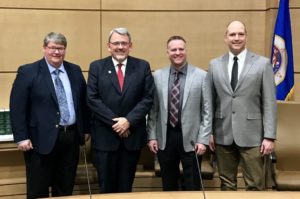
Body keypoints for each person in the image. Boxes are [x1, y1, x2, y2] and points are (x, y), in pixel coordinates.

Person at [10, 32, 90, 198]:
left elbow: (83, 103)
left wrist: (86, 129)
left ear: (65, 50)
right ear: (44, 48)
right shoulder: (28, 71)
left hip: (70, 138)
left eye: (60, 48)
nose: (56, 52)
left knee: (65, 188)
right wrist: (21, 136)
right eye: (52, 48)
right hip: (39, 140)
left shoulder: (74, 70)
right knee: (38, 189)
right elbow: (17, 107)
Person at [207, 20, 277, 191]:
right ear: (225, 38)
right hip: (222, 133)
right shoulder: (214, 65)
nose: (236, 38)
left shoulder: (262, 64)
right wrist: (208, 132)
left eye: (240, 34)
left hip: (253, 135)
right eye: (232, 34)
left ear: (246, 37)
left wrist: (269, 136)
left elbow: (269, 103)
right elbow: (209, 101)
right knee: (227, 185)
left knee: (255, 184)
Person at [87, 27, 154, 193]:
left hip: (131, 138)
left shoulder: (142, 66)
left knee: (126, 187)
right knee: (106, 188)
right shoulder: (96, 67)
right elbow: (92, 99)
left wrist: (128, 121)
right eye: (116, 43)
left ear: (130, 46)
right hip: (105, 138)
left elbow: (148, 98)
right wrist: (117, 122)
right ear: (108, 46)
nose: (120, 47)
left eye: (124, 43)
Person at [147, 35, 212, 191]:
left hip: (192, 140)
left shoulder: (201, 76)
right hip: (165, 137)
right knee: (168, 184)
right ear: (167, 52)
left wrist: (203, 140)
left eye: (181, 49)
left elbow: (207, 111)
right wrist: (152, 136)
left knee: (193, 184)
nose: (177, 52)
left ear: (186, 51)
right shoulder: (158, 76)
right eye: (173, 49)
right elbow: (153, 110)